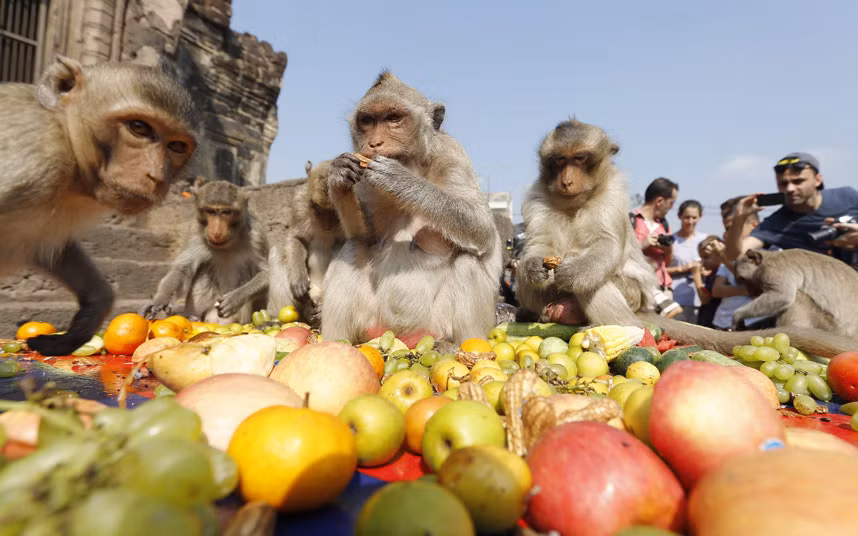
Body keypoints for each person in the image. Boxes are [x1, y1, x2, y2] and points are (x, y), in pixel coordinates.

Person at [725, 152, 858, 265]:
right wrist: (739, 218)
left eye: (798, 181)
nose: (790, 189)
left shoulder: (848, 196)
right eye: (783, 183)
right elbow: (734, 255)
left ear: (817, 180)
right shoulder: (777, 223)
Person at [631, 177, 681, 317]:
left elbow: (668, 262)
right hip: (640, 288)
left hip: (664, 287)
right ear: (659, 201)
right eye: (672, 203)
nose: (672, 207)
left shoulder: (664, 225)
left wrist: (667, 250)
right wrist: (642, 245)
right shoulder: (630, 220)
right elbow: (620, 256)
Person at [666, 200, 706, 323]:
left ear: (700, 217)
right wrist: (684, 268)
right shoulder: (670, 240)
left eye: (694, 217)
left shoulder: (704, 240)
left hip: (698, 300)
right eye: (686, 217)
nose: (690, 221)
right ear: (679, 216)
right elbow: (661, 270)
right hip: (675, 300)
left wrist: (703, 270)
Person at [693, 236, 725, 328]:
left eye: (706, 257)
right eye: (701, 258)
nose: (703, 262)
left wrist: (696, 275)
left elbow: (705, 299)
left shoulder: (720, 273)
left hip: (714, 322)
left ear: (718, 254)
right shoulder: (712, 273)